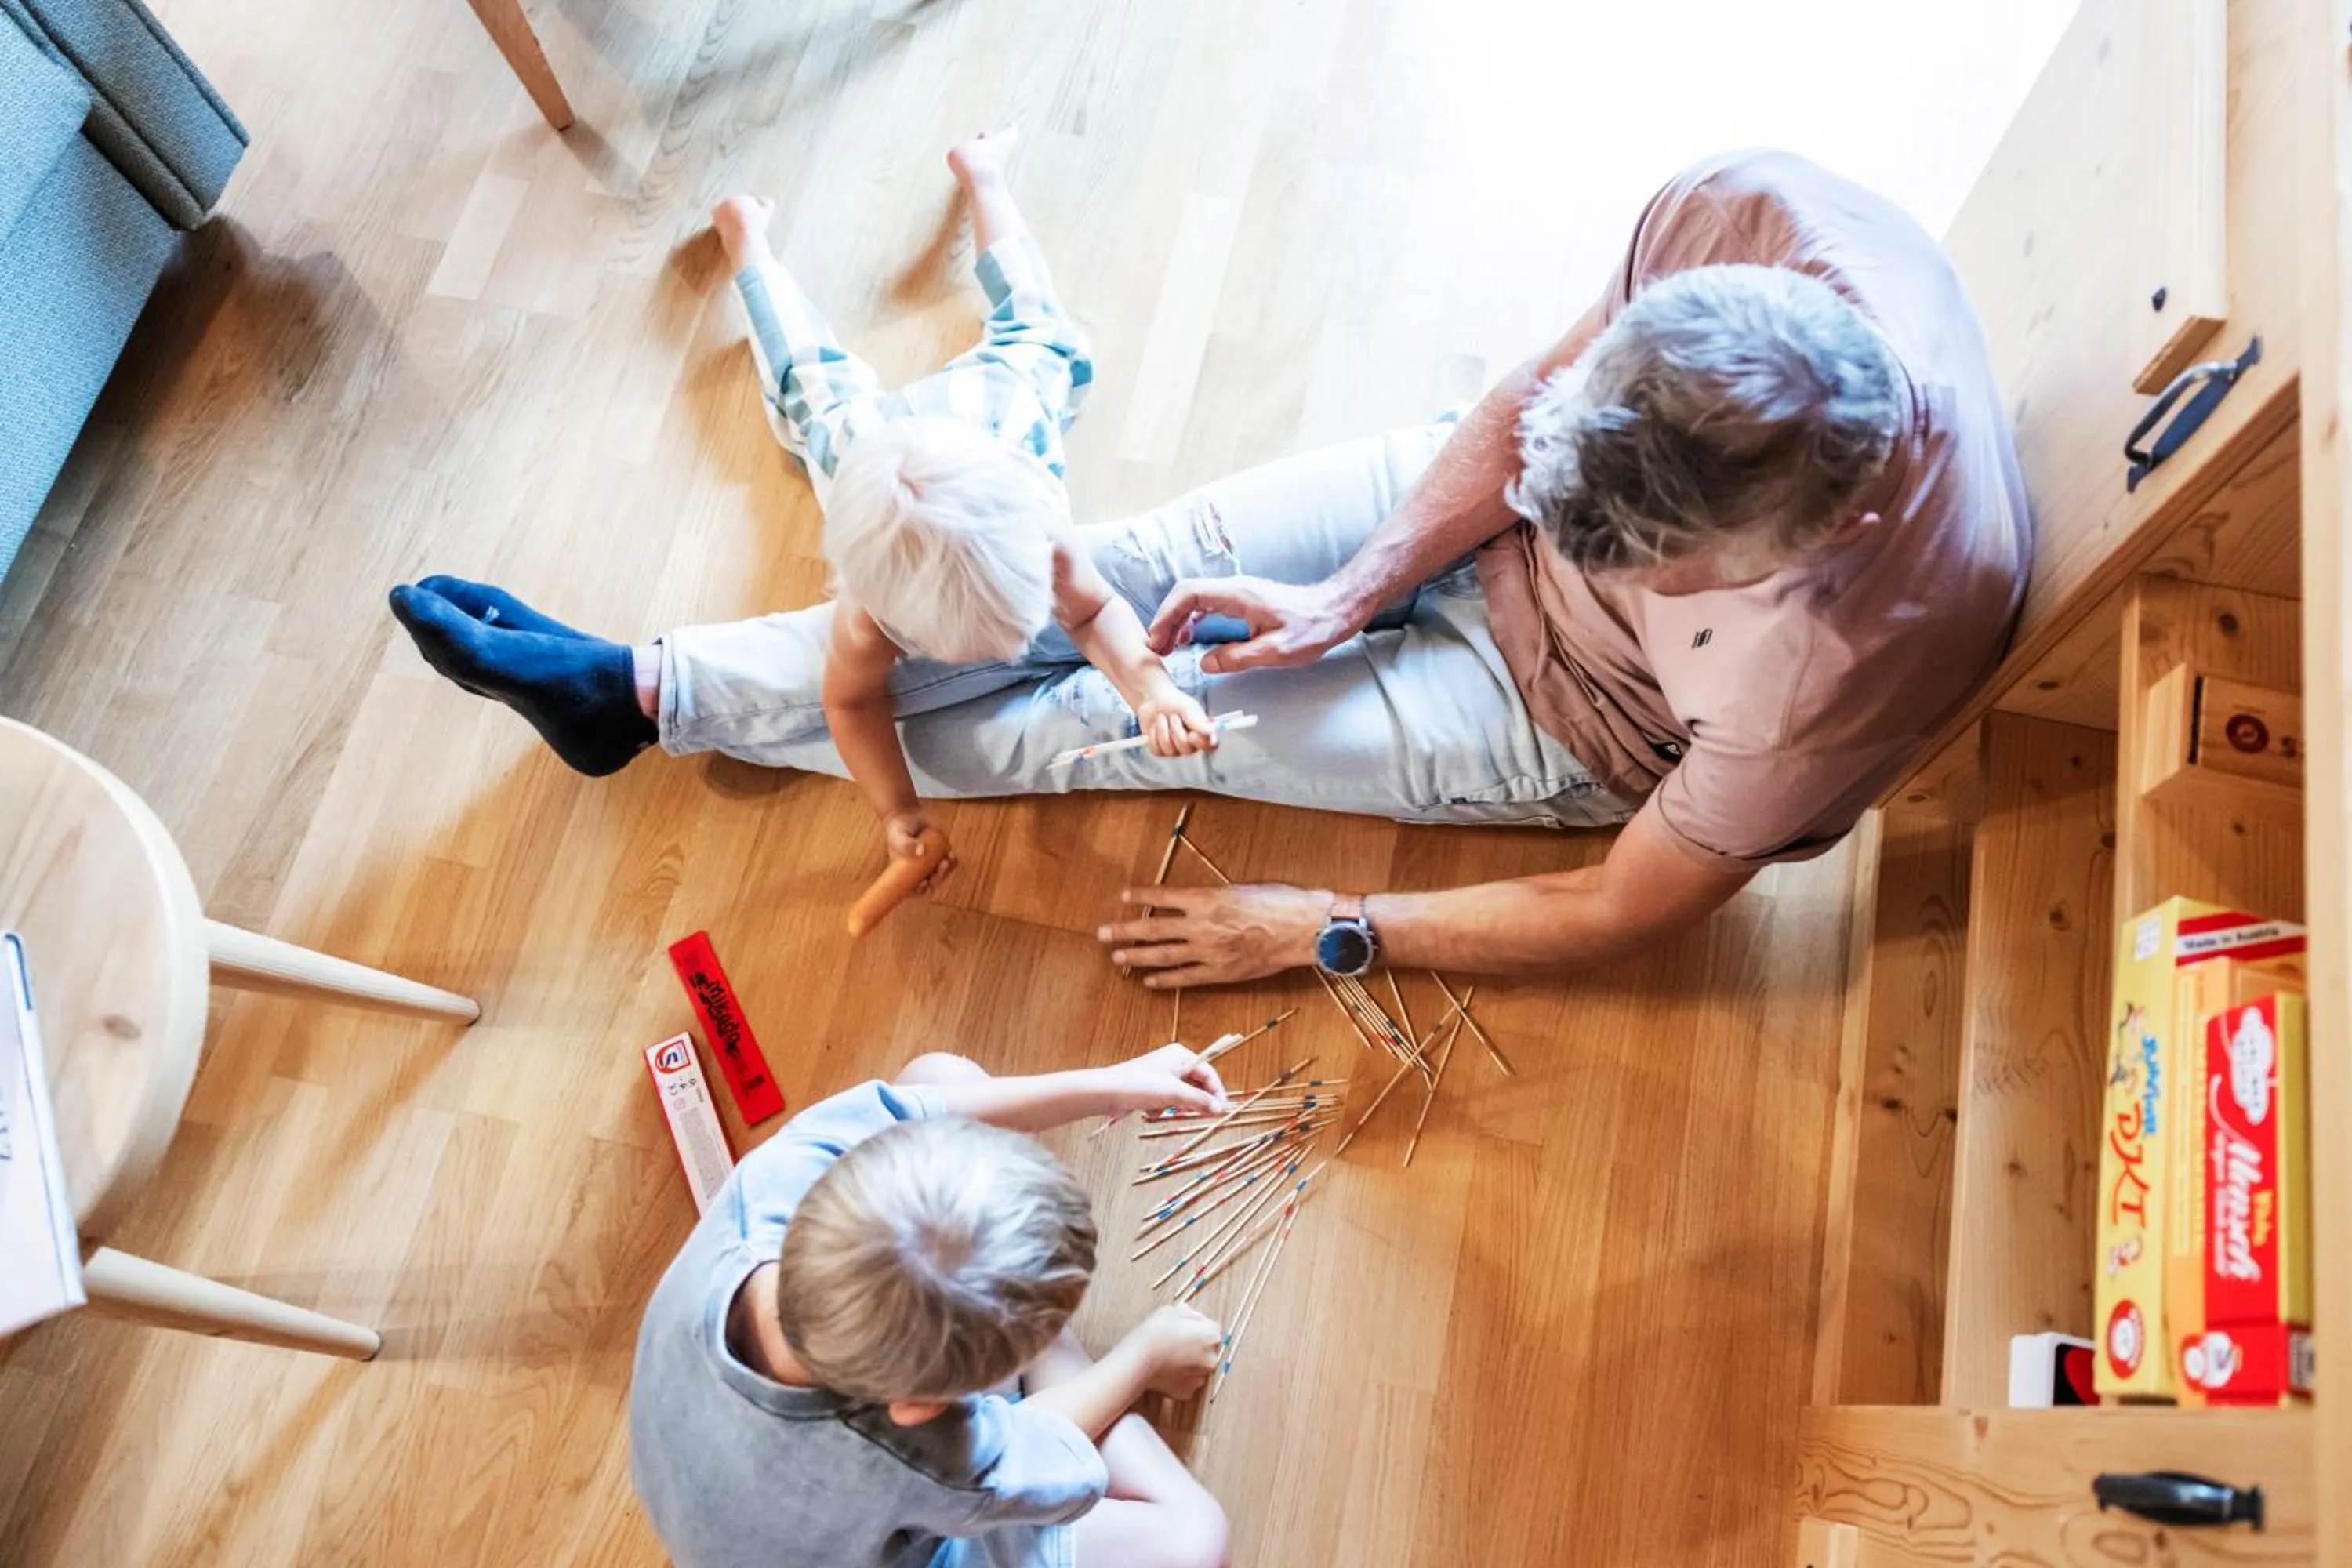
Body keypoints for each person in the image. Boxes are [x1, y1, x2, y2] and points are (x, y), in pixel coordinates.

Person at [390, 150, 2028, 989]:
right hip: (1467, 502)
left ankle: (649, 699)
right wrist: (1351, 584)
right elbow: (1525, 409)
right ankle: (648, 690)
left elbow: (1622, 906)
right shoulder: (1742, 223)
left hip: (1570, 726)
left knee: (1085, 729)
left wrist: (1329, 925)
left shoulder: (1850, 664)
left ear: (1791, 553)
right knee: (1085, 583)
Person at [396, 127, 1214, 893]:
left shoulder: (1045, 537)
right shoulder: (868, 615)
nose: (995, 654)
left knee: (1042, 336)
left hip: (1001, 411)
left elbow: (1096, 610)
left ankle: (984, 175)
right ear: (872, 601)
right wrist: (897, 811)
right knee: (804, 379)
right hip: (867, 445)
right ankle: (745, 239)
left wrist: (1151, 694)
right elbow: (849, 702)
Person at [630, 1046, 1236, 1568]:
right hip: (856, 1532)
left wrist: (1114, 1083)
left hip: (712, 1476)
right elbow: (1038, 1442)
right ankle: (1052, 1350)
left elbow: (920, 1108)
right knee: (1196, 1536)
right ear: (921, 1406)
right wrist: (1143, 1357)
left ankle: (1018, 1334)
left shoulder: (775, 1178)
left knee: (939, 1076)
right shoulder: (919, 1456)